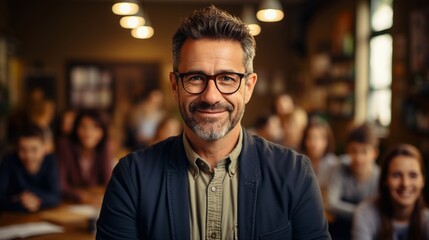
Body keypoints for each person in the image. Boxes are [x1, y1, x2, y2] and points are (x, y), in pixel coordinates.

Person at [97, 5, 331, 239]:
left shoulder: (294, 174)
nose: (211, 96)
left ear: (248, 87)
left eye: (227, 78)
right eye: (196, 78)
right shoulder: (131, 177)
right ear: (175, 86)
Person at [352, 144, 429, 240]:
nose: (405, 183)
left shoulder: (426, 219)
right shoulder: (365, 212)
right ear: (385, 180)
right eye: (396, 175)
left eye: (413, 175)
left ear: (423, 181)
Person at [326, 122, 380, 239]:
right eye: (354, 151)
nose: (359, 158)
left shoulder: (379, 176)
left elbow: (379, 211)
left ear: (374, 153)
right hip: (340, 230)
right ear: (347, 150)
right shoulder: (339, 168)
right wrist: (364, 212)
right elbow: (331, 204)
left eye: (364, 152)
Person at [0, 123, 61, 212]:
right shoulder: (9, 161)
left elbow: (56, 197)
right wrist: (21, 202)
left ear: (44, 148)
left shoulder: (50, 160)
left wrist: (35, 200)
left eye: (34, 149)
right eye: (23, 149)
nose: (28, 156)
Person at [56, 109, 113, 203]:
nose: (88, 133)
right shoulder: (64, 146)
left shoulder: (104, 147)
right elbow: (60, 184)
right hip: (67, 204)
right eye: (83, 127)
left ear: (103, 131)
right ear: (76, 129)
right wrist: (80, 196)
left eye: (95, 127)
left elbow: (109, 182)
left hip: (94, 204)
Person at [300, 117, 338, 191]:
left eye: (318, 138)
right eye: (309, 137)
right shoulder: (299, 161)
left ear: (327, 140)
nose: (313, 142)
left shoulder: (333, 164)